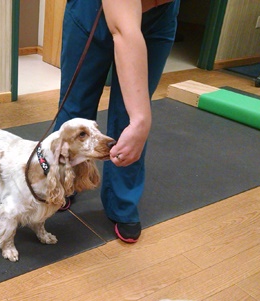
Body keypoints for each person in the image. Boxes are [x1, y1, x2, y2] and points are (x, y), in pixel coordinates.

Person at [54, 0, 180, 243]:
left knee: (129, 120)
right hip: (91, 10)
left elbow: (136, 116)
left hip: (160, 17)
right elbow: (124, 31)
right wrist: (142, 120)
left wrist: (138, 122)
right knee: (76, 109)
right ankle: (63, 183)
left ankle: (121, 202)